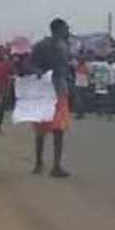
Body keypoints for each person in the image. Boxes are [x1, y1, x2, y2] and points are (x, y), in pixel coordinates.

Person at [30, 18, 73, 178]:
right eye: (67, 28)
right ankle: (42, 163)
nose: (68, 31)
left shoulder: (63, 46)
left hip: (58, 90)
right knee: (44, 131)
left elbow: (65, 70)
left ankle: (51, 165)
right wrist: (40, 72)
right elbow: (30, 64)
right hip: (47, 90)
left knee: (57, 129)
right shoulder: (43, 45)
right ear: (59, 30)